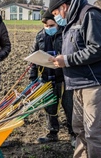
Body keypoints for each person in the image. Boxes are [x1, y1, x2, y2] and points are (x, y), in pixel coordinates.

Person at [48, 0, 101, 158]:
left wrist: (66, 60)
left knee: (93, 133)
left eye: (55, 14)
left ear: (64, 7)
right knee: (80, 129)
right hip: (79, 84)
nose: (56, 18)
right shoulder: (72, 21)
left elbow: (99, 48)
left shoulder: (90, 15)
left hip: (96, 84)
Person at [29, 10, 76, 147]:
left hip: (64, 78)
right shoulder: (39, 37)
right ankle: (52, 132)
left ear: (56, 23)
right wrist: (33, 78)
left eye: (51, 25)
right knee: (50, 106)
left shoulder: (65, 35)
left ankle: (73, 134)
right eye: (46, 26)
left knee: (69, 106)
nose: (48, 28)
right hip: (46, 78)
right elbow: (33, 59)